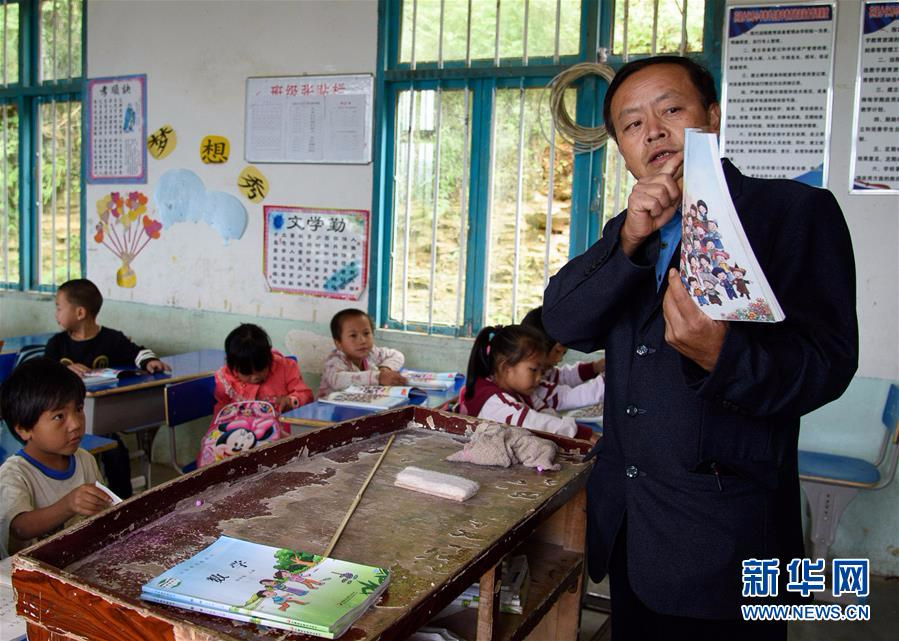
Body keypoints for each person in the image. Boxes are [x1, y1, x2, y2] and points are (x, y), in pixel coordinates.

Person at [542, 56, 857, 640]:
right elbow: (564, 321)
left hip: (732, 538)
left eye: (671, 109)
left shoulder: (791, 213)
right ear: (623, 149)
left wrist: (723, 356)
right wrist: (631, 239)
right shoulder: (630, 227)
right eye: (632, 124)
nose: (653, 131)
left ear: (712, 116)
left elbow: (828, 363)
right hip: (634, 525)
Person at [44, 278, 169, 499]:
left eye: (59, 307)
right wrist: (63, 371)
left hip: (102, 423)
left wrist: (150, 362)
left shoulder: (111, 339)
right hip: (64, 423)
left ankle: (121, 502)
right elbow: (42, 374)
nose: (56, 313)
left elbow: (137, 352)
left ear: (80, 312)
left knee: (115, 452)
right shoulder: (57, 345)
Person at [0, 358, 112, 556]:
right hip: (33, 575)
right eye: (59, 416)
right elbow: (19, 527)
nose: (76, 424)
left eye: (78, 409)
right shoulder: (15, 473)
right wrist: (68, 505)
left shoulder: (84, 459)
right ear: (24, 429)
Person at [457, 324, 594, 440]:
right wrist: (581, 433)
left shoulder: (523, 391)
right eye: (534, 370)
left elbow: (545, 413)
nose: (539, 377)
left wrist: (570, 427)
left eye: (541, 370)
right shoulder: (492, 400)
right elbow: (532, 421)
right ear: (506, 367)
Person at [212, 324, 313, 417]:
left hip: (281, 430)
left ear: (269, 358)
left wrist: (290, 401)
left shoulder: (286, 367)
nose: (255, 377)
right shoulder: (225, 378)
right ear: (232, 367)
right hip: (240, 431)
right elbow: (221, 410)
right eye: (247, 373)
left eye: (261, 369)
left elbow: (306, 395)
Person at [521, 306, 605, 412]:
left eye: (564, 353)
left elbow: (560, 376)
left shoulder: (542, 372)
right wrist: (609, 379)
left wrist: (594, 367)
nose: (560, 359)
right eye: (557, 351)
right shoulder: (533, 385)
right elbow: (567, 398)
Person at [317, 309, 406, 397]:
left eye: (366, 333)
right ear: (338, 343)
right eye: (353, 335)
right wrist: (378, 377)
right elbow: (337, 380)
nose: (362, 340)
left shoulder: (372, 353)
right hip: (330, 408)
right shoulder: (335, 361)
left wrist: (385, 368)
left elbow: (397, 355)